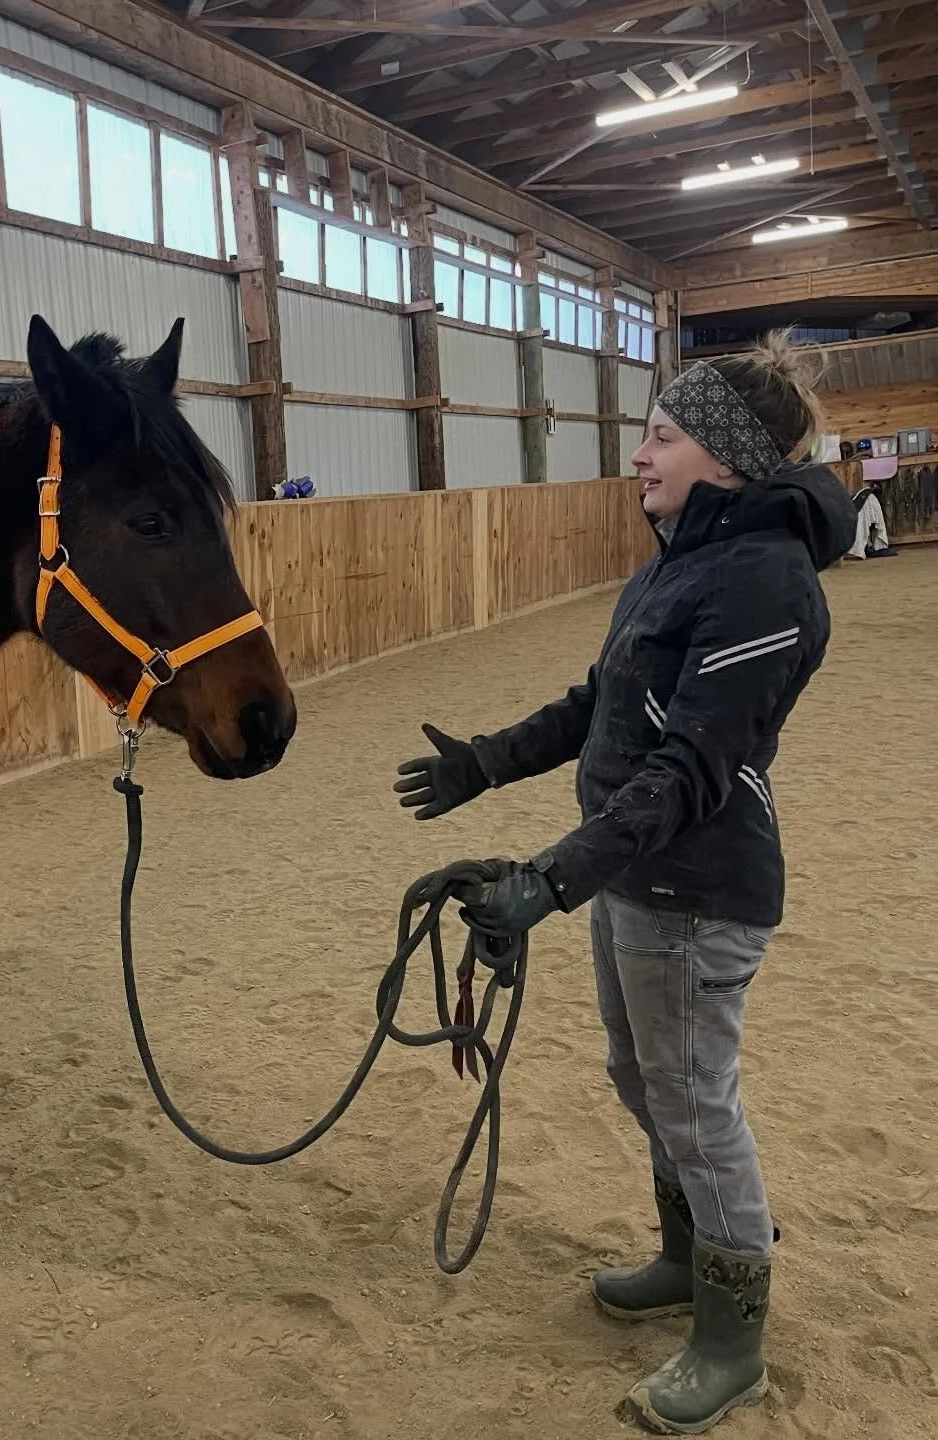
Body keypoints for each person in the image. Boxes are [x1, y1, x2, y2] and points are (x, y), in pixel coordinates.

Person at [394, 333, 855, 1435]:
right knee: (640, 1076)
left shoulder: (766, 583)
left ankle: (731, 1335)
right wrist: (487, 762)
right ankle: (687, 1255)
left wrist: (550, 880)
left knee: (694, 1105)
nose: (638, 457)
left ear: (727, 458)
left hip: (699, 888)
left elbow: (691, 769)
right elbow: (599, 702)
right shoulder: (675, 560)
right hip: (633, 878)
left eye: (660, 437)